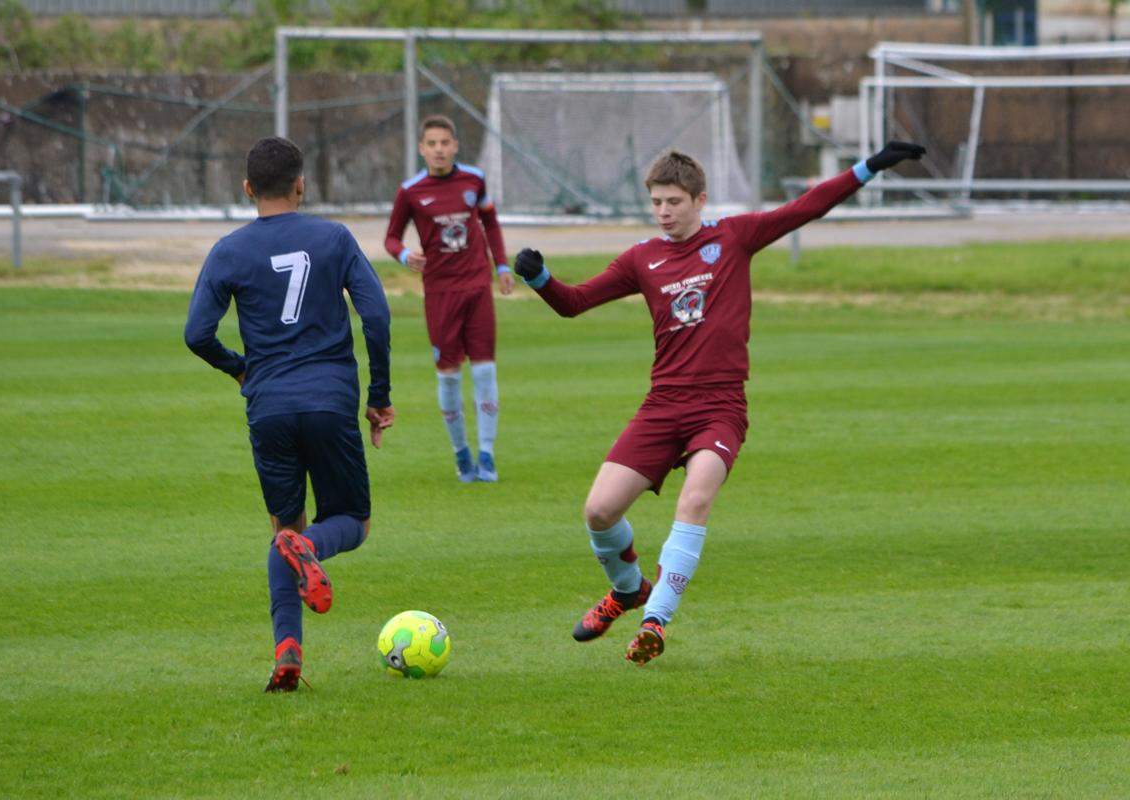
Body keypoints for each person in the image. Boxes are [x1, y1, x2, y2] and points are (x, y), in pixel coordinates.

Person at [514, 142, 925, 665]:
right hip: (662, 405)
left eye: (673, 202)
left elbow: (807, 207)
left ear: (699, 199)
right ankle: (627, 590)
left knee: (696, 498)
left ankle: (655, 620)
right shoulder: (643, 258)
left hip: (720, 408)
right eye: (657, 202)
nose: (663, 212)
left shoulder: (733, 237)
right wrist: (539, 278)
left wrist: (870, 167)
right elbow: (574, 304)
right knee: (598, 510)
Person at [184, 136, 395, 692]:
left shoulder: (229, 250)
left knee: (284, 527)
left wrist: (239, 369)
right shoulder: (334, 237)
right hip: (328, 400)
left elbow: (196, 335)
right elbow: (375, 316)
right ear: (301, 184)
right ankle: (311, 549)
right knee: (352, 522)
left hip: (269, 406)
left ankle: (288, 653)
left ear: (248, 188)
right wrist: (379, 394)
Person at [384, 115, 514, 483]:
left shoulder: (474, 179)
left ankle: (487, 455)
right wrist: (405, 256)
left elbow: (490, 222)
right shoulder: (410, 190)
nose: (439, 149)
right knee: (449, 377)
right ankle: (461, 454)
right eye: (432, 144)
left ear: (455, 145)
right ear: (422, 149)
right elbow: (391, 238)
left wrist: (502, 266)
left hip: (477, 287)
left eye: (445, 142)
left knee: (486, 370)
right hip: (440, 293)